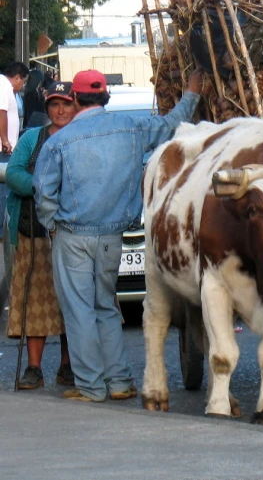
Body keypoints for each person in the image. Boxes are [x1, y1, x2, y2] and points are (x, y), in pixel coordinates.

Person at [33, 68, 202, 402]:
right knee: (106, 308)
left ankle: (91, 387)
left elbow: (43, 190)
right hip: (113, 236)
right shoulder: (131, 128)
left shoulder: (59, 141)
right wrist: (192, 93)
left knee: (79, 311)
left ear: (75, 98)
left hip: (73, 235)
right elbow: (172, 123)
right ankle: (121, 382)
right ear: (105, 97)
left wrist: (52, 224)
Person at [5, 81, 77, 389]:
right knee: (35, 300)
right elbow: (14, 173)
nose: (60, 110)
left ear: (76, 106)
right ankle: (33, 368)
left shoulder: (82, 138)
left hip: (75, 235)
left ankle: (69, 365)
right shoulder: (32, 138)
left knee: (72, 302)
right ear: (47, 108)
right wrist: (45, 185)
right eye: (54, 105)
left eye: (66, 104)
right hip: (33, 233)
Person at [0, 62, 30, 240]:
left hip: (6, 146)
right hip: (3, 148)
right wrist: (4, 139)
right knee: (4, 190)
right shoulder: (4, 85)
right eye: (23, 81)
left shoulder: (6, 87)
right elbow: (1, 112)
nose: (23, 85)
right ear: (17, 77)